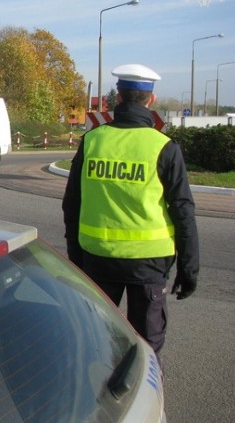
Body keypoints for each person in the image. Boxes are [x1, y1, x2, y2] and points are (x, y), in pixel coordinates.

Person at [62, 63, 199, 358]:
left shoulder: (92, 141)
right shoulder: (164, 147)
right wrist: (189, 268)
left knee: (97, 340)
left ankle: (100, 398)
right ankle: (144, 398)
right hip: (148, 265)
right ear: (151, 100)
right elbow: (183, 210)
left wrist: (76, 258)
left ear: (117, 98)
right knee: (146, 346)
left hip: (97, 259)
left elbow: (71, 203)